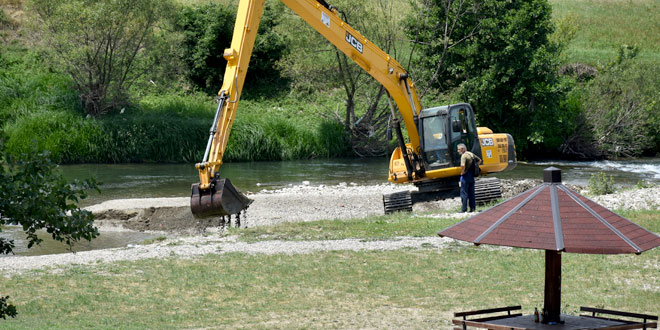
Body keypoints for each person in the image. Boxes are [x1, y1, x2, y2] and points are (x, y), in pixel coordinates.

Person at [457, 143, 481, 212]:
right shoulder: (471, 154)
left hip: (465, 176)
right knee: (471, 193)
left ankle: (464, 209)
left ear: (463, 149)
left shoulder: (464, 156)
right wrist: (475, 168)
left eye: (459, 149)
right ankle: (472, 208)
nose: (458, 151)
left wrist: (462, 172)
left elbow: (463, 165)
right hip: (471, 176)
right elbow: (479, 160)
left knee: (464, 193)